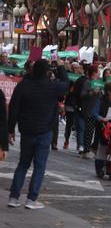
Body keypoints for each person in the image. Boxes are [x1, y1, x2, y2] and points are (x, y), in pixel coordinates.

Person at [7, 60, 69, 209]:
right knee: (39, 166)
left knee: (23, 163)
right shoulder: (52, 86)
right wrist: (60, 66)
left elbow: (14, 108)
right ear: (48, 72)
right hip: (45, 129)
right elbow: (66, 83)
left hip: (27, 129)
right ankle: (31, 199)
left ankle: (14, 197)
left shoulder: (23, 85)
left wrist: (10, 130)